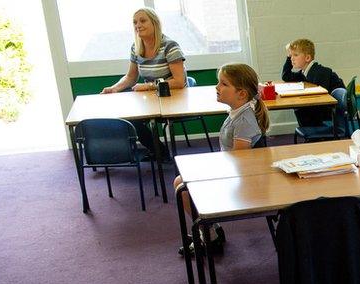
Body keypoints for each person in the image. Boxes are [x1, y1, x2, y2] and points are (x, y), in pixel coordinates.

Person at [174, 63, 269, 255]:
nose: (217, 87)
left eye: (223, 84)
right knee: (181, 181)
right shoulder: (238, 113)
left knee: (182, 187)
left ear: (241, 94)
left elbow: (239, 161)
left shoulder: (244, 121)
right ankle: (209, 231)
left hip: (243, 181)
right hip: (233, 171)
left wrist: (211, 169)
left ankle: (209, 234)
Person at [101, 8, 187, 157]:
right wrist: (114, 89)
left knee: (137, 118)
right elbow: (130, 77)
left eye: (142, 21)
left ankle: (159, 153)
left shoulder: (170, 46)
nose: (138, 25)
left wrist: (148, 86)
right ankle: (159, 151)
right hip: (152, 99)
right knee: (129, 117)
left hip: (173, 98)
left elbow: (179, 81)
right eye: (135, 22)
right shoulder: (136, 47)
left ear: (155, 23)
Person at [281, 38, 345, 128]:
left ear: (307, 58)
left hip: (329, 114)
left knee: (300, 108)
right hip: (321, 111)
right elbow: (286, 76)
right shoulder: (304, 72)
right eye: (291, 56)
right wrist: (288, 56)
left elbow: (319, 99)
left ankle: (316, 137)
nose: (292, 59)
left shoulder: (320, 72)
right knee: (299, 108)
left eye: (295, 55)